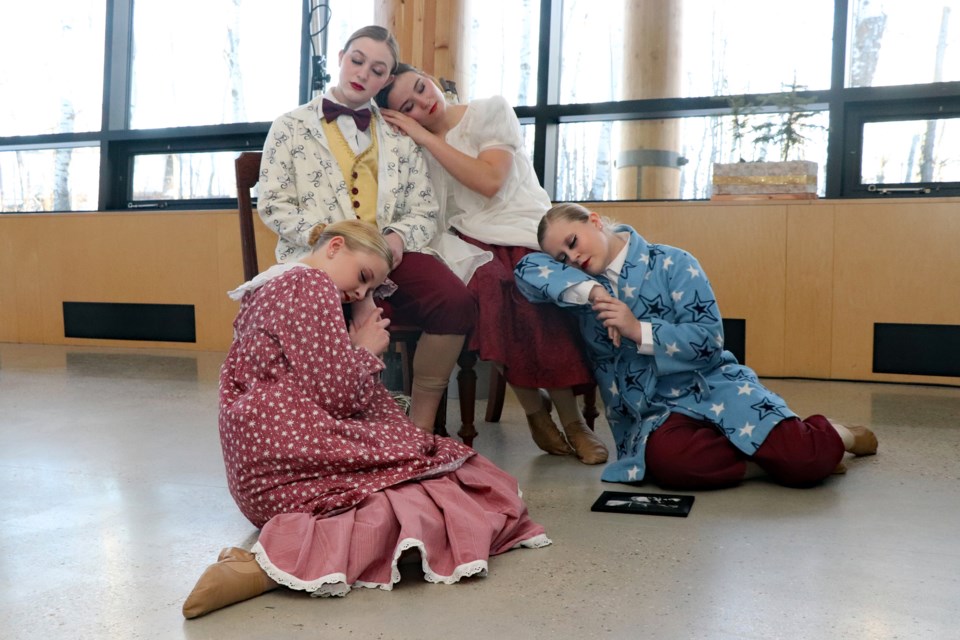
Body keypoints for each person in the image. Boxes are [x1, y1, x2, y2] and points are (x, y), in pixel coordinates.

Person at [182, 220, 549, 619]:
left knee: (426, 488)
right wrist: (365, 349)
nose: (360, 293)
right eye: (362, 278)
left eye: (372, 290)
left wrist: (360, 307)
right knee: (448, 493)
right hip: (289, 458)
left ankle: (273, 560)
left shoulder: (269, 287)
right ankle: (269, 568)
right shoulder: (311, 285)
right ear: (334, 246)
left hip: (260, 482)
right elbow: (337, 397)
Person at [513, 202, 879, 489]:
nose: (572, 258)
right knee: (673, 464)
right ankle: (771, 458)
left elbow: (708, 341)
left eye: (572, 242)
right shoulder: (575, 291)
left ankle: (837, 434)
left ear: (594, 221)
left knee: (806, 463)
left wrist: (637, 329)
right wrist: (592, 290)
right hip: (654, 411)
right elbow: (526, 270)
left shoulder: (673, 262)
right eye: (561, 257)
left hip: (712, 386)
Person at [374, 64, 607, 464]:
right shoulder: (412, 147)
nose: (423, 102)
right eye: (408, 107)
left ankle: (572, 421)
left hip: (522, 229)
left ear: (431, 75)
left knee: (530, 298)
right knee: (490, 292)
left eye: (421, 87)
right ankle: (537, 413)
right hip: (467, 240)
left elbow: (489, 181)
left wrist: (423, 137)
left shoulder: (489, 111)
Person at [257, 26, 475, 434]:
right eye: (357, 61)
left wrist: (396, 239)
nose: (363, 74)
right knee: (321, 313)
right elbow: (272, 205)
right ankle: (337, 429)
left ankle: (420, 426)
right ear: (341, 57)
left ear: (386, 80)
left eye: (377, 70)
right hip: (325, 259)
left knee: (454, 301)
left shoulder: (398, 133)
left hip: (390, 253)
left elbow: (424, 208)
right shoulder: (289, 127)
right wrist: (327, 238)